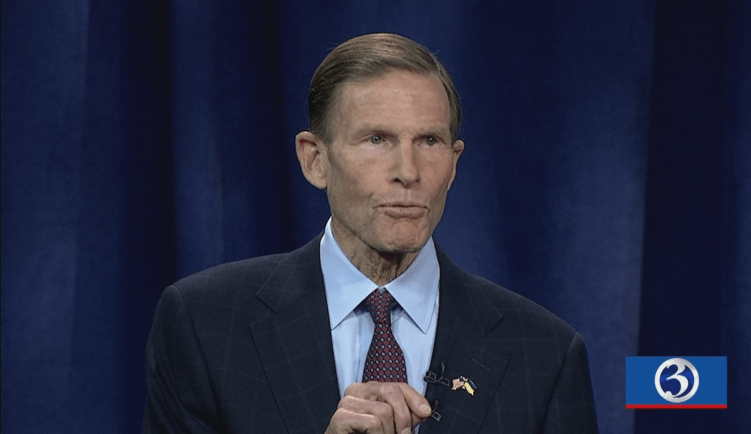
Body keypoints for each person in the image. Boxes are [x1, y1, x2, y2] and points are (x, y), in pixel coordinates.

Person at [143, 33, 598, 434]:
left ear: (454, 164)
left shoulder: (543, 354)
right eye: (377, 139)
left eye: (429, 141)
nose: (408, 171)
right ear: (315, 160)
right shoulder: (207, 325)